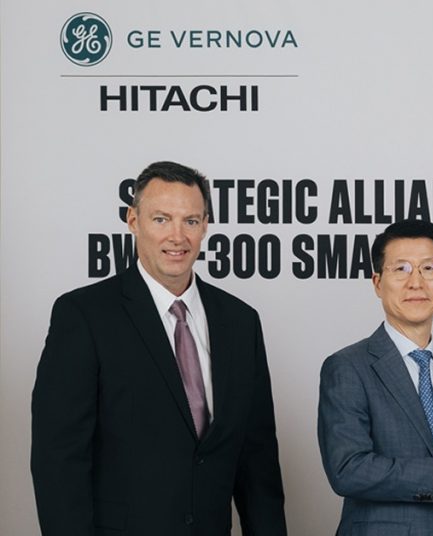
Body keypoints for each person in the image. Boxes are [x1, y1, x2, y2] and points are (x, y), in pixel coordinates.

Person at [31, 161, 287, 535]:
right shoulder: (84, 315)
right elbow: (59, 461)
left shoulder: (240, 321)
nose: (177, 237)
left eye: (191, 221)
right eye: (162, 219)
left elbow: (258, 463)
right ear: (133, 220)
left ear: (205, 227)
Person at [318, 219, 433, 536]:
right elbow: (349, 470)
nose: (415, 282)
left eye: (428, 269)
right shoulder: (347, 367)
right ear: (377, 282)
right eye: (400, 269)